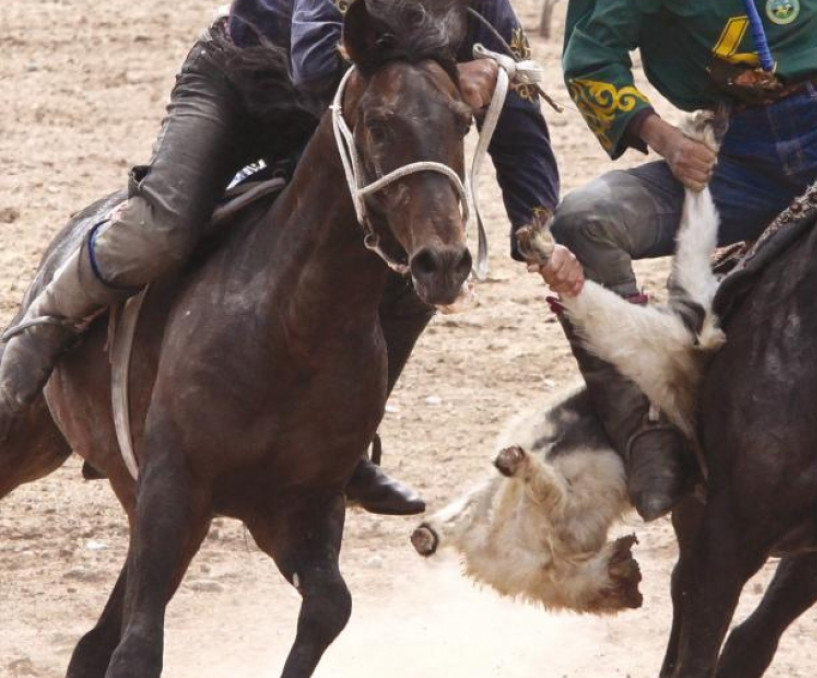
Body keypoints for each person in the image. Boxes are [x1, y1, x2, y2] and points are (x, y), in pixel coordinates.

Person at [0, 0, 559, 515]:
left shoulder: (487, 8)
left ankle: (349, 445)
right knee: (163, 229)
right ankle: (43, 328)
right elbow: (315, 61)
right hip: (238, 79)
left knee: (409, 264)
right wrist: (446, 76)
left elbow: (520, 111)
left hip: (349, 123)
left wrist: (533, 223)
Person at [534, 0, 817, 545]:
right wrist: (666, 140)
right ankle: (647, 434)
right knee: (585, 220)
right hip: (726, 152)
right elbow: (591, 58)